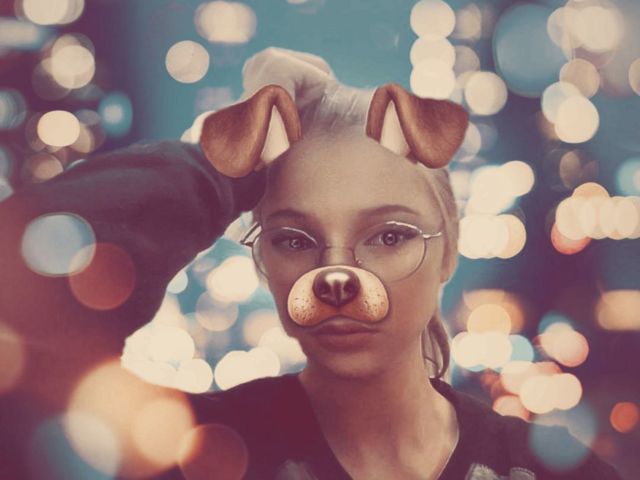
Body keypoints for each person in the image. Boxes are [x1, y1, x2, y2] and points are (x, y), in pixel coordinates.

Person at [0, 48, 622, 480]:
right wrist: (217, 164)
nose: (338, 279)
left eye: (389, 235)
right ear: (261, 261)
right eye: (295, 241)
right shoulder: (197, 452)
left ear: (448, 251)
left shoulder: (548, 470)